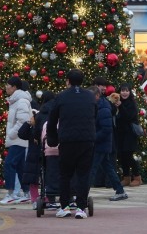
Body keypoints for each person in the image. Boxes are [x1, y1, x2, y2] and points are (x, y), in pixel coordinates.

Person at [47, 69, 98, 219]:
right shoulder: (90, 96)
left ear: (68, 81)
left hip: (67, 139)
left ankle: (65, 206)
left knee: (65, 174)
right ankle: (81, 207)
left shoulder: (61, 96)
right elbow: (95, 115)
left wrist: (52, 139)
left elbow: (52, 120)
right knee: (83, 174)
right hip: (87, 139)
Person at [89, 86, 127, 201]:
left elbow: (106, 129)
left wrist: (93, 138)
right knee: (107, 166)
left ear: (97, 96)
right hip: (101, 143)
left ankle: (82, 194)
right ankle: (120, 190)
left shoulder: (103, 108)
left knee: (92, 168)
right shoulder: (97, 106)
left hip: (101, 144)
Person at [0, 77, 32, 205]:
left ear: (14, 87)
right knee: (20, 167)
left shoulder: (21, 101)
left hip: (18, 139)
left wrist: (12, 134)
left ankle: (11, 193)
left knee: (9, 164)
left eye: (7, 85)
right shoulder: (15, 100)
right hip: (18, 139)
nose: (6, 87)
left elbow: (23, 121)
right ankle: (27, 193)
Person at [115, 84, 142, 186]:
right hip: (120, 133)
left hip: (129, 134)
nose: (124, 93)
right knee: (121, 155)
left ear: (130, 92)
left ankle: (137, 177)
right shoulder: (116, 102)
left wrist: (121, 106)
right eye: (122, 90)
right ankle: (126, 177)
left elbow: (128, 117)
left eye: (126, 91)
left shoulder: (132, 103)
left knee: (128, 155)